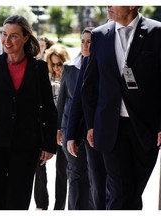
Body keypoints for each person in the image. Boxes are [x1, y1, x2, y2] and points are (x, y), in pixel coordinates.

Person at [81, 6, 161, 210]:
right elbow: (90, 84)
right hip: (110, 127)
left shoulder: (156, 32)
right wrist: (91, 124)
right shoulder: (99, 35)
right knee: (119, 190)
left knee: (133, 191)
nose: (108, 5)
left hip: (146, 129)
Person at [0, 14, 57, 210]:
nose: (7, 41)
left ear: (25, 37)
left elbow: (48, 107)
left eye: (13, 36)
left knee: (19, 201)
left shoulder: (39, 68)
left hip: (26, 145)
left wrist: (49, 144)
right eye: (4, 34)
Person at [58, 27, 106, 210]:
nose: (86, 45)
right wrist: (58, 129)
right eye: (83, 41)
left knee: (95, 177)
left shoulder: (103, 68)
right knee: (75, 175)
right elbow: (63, 99)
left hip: (94, 131)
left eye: (90, 42)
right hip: (71, 129)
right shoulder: (70, 67)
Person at [34, 43, 70, 210]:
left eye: (59, 64)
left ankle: (59, 207)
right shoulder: (45, 77)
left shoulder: (71, 75)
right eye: (53, 64)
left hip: (64, 129)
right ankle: (42, 204)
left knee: (62, 171)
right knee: (39, 167)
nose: (56, 68)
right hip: (46, 129)